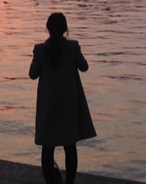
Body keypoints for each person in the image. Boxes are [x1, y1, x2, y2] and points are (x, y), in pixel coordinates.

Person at [30, 13, 96, 184]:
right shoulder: (72, 47)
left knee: (48, 145)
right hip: (69, 104)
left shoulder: (40, 49)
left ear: (48, 29)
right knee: (70, 144)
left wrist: (35, 57)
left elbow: (32, 74)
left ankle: (50, 182)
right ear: (66, 29)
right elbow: (84, 67)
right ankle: (70, 181)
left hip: (49, 104)